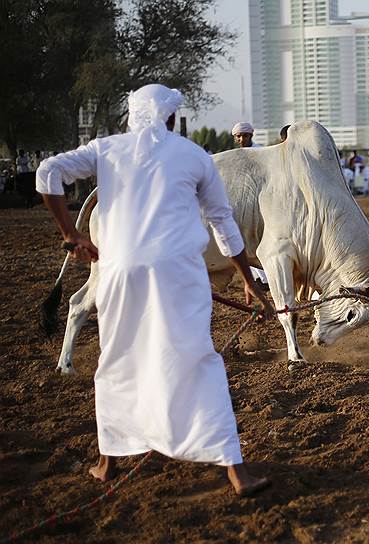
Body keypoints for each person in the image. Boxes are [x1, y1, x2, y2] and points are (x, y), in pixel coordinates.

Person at [36, 84, 275, 496]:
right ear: (169, 118)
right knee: (198, 359)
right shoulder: (194, 155)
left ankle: (107, 464)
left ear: (132, 115)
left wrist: (71, 233)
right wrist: (249, 280)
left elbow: (47, 173)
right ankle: (237, 474)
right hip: (179, 273)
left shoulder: (106, 148)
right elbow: (222, 222)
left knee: (117, 357)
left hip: (119, 272)